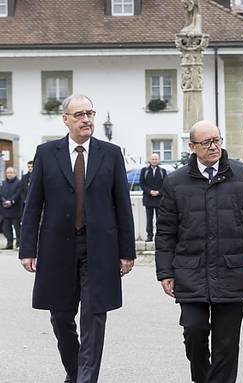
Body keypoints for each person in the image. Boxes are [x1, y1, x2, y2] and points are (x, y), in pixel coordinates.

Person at [19, 94, 135, 383]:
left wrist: (127, 251)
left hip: (100, 248)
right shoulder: (47, 154)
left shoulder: (110, 153)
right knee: (60, 316)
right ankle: (75, 370)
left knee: (94, 316)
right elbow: (34, 204)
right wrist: (27, 248)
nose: (87, 119)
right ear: (66, 120)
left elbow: (122, 204)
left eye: (90, 113)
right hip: (57, 247)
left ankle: (85, 379)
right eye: (80, 114)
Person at [155, 120, 243, 383]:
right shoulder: (175, 183)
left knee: (226, 342)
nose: (214, 147)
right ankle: (201, 377)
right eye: (207, 142)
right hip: (190, 270)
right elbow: (165, 231)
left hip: (233, 269)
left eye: (217, 140)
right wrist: (165, 272)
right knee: (194, 331)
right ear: (192, 147)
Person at [139, 153, 167, 242]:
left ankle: (160, 236)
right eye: (153, 159)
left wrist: (159, 192)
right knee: (149, 219)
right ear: (150, 160)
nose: (154, 161)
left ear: (158, 160)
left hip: (160, 199)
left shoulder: (163, 171)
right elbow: (142, 183)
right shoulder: (144, 171)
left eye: (156, 159)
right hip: (148, 199)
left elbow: (166, 184)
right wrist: (149, 191)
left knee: (160, 219)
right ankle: (149, 236)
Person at [1, 167, 22, 249]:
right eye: (7, 173)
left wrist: (11, 201)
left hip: (15, 210)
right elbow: (1, 193)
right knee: (6, 228)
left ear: (14, 173)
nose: (9, 174)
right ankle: (9, 244)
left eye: (11, 172)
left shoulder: (19, 183)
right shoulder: (3, 183)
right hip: (5, 210)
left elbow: (18, 193)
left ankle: (18, 244)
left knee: (17, 228)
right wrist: (3, 201)